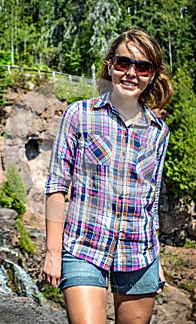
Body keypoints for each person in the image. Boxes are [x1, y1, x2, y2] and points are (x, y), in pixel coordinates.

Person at [42, 28, 173, 324]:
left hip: (139, 253)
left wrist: (157, 259)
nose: (131, 73)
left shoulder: (158, 131)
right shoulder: (79, 115)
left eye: (142, 66)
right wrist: (53, 251)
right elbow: (56, 187)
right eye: (123, 63)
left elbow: (149, 201)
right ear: (110, 65)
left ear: (152, 74)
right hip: (83, 247)